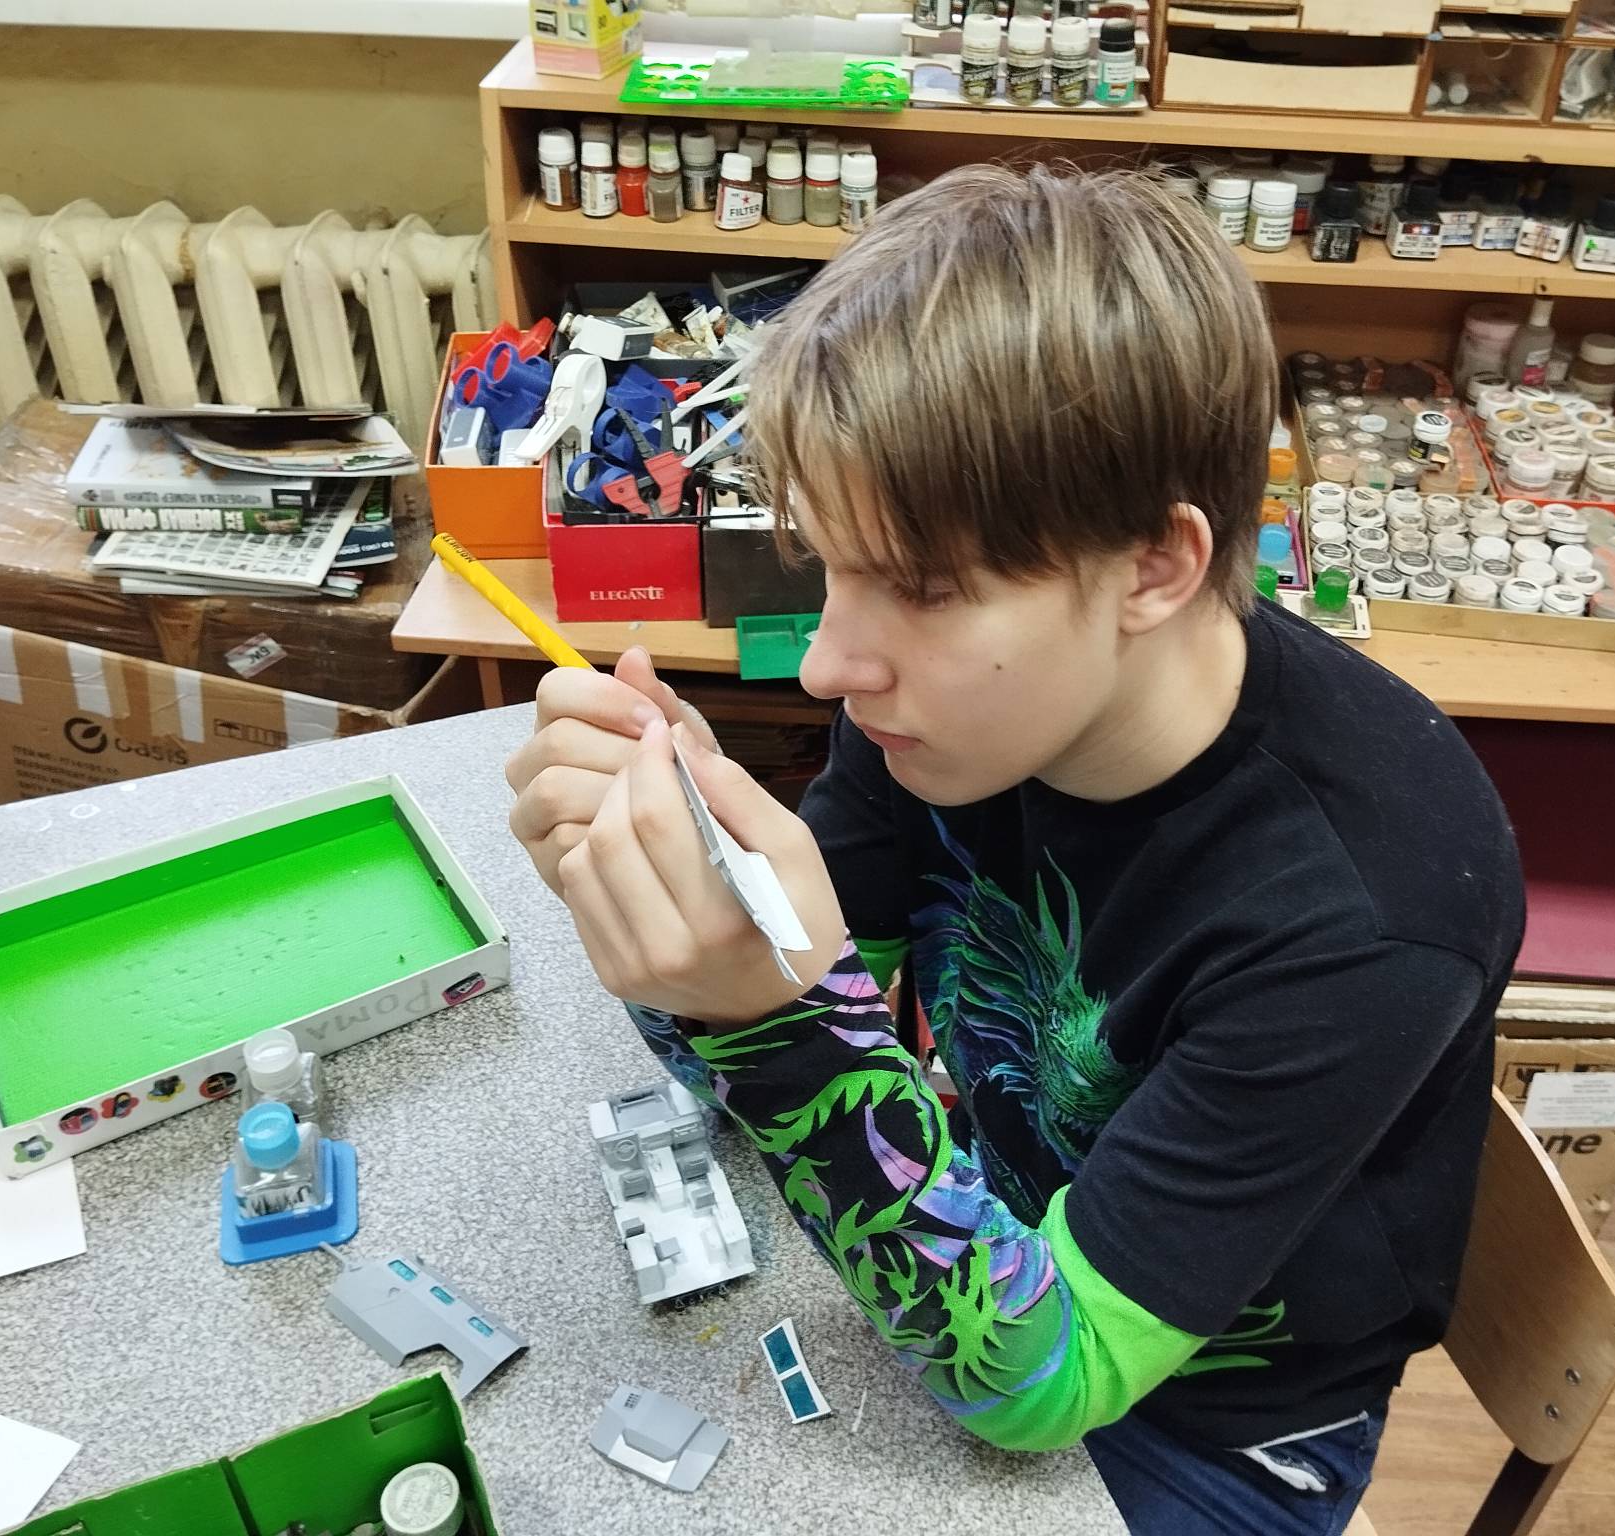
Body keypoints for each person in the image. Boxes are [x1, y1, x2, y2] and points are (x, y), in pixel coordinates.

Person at [505, 164, 1525, 1536]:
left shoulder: (1363, 915)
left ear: (1154, 567)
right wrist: (688, 884)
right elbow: (791, 1024)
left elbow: (1038, 1382)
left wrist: (764, 1016)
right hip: (999, 1226)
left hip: (1207, 1431)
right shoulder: (944, 710)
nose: (826, 665)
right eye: (831, 566)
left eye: (924, 587)